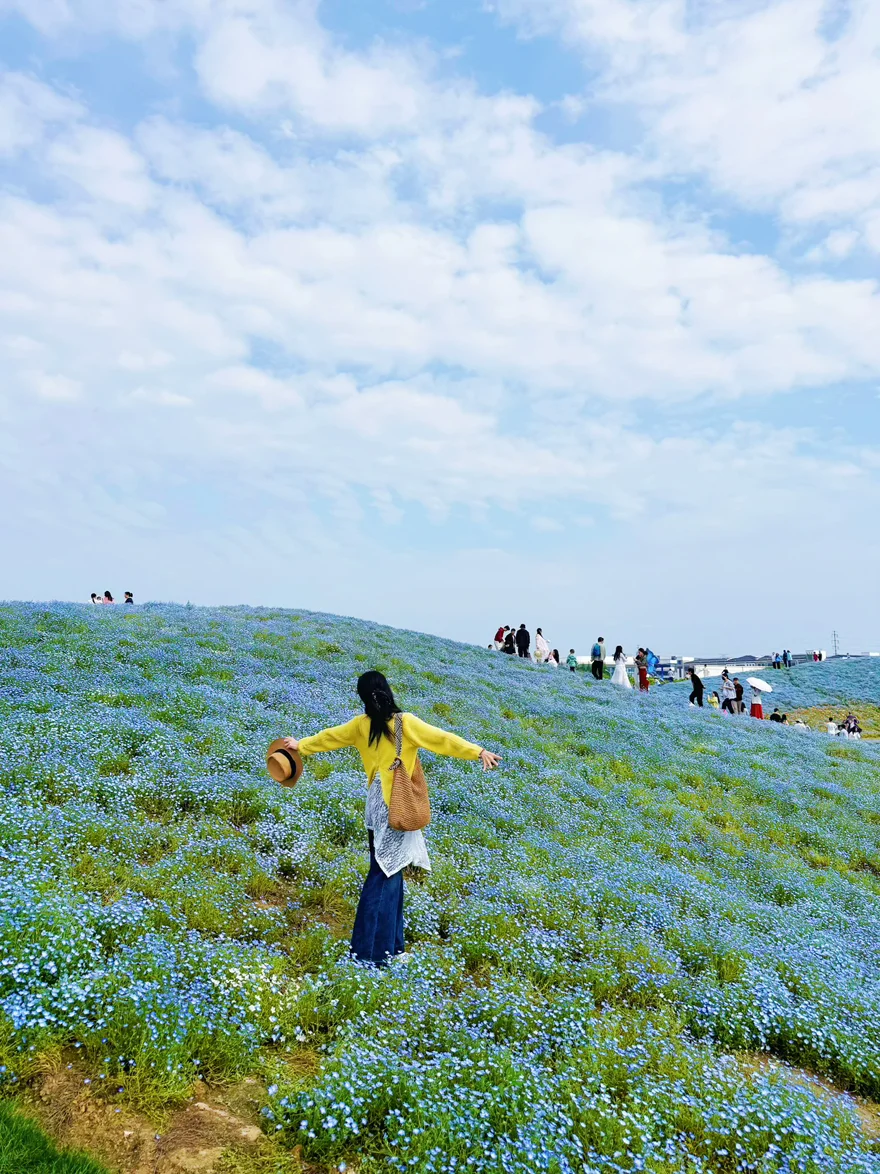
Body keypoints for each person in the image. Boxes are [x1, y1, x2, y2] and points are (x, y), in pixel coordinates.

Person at [281, 671, 500, 966]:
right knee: (384, 875)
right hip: (396, 805)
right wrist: (478, 751)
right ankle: (369, 955)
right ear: (387, 690)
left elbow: (330, 737)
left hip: (375, 805)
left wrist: (301, 745)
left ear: (363, 697)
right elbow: (441, 739)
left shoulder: (361, 725)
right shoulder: (404, 723)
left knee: (390, 873)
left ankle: (393, 948)